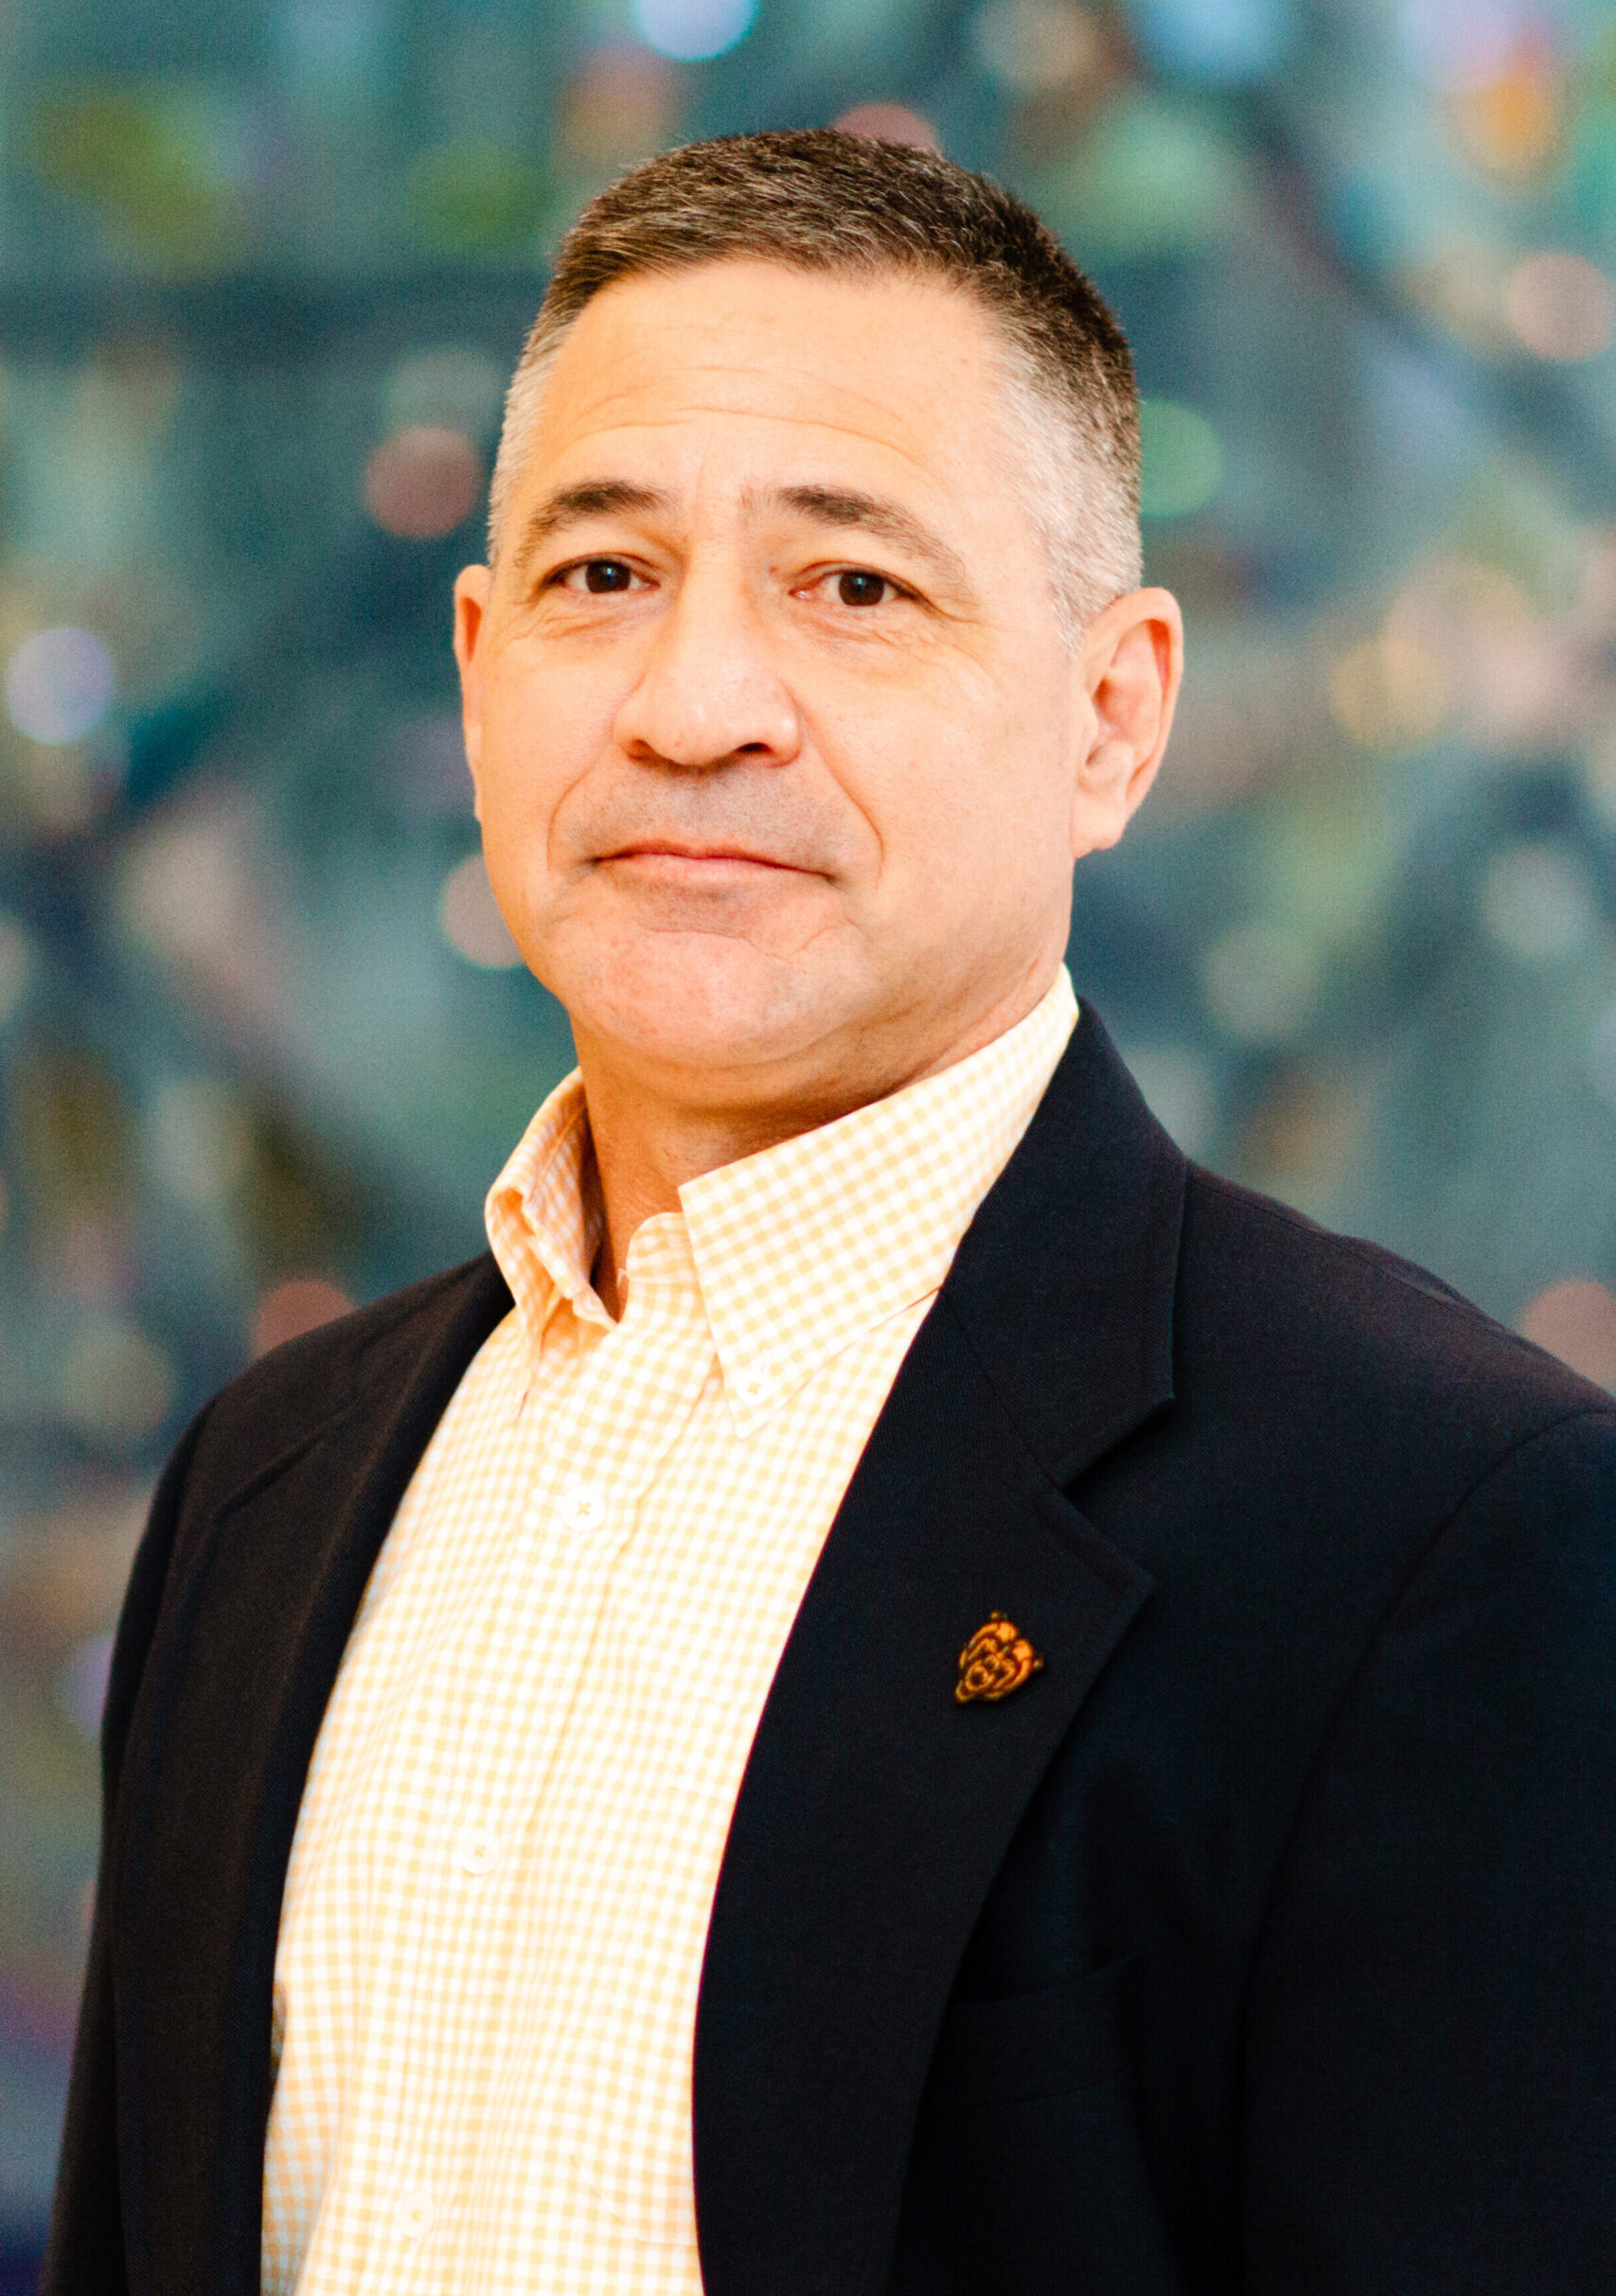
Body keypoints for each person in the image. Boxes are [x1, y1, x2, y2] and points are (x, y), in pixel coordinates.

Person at [44, 130, 1614, 2296]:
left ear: (1109, 712)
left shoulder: (1440, 1530)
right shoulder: (269, 1483)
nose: (694, 706)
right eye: (603, 578)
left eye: (851, 585)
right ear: (480, 664)